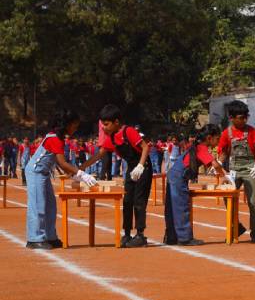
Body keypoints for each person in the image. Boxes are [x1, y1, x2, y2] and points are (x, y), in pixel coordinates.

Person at [81, 105, 152, 248]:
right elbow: (99, 154)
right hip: (131, 169)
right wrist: (80, 168)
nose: (104, 128)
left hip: (143, 167)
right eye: (102, 125)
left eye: (106, 124)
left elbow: (145, 147)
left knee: (139, 201)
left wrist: (140, 166)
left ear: (116, 122)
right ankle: (126, 234)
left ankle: (140, 235)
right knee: (127, 201)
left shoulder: (129, 131)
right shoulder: (111, 137)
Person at [25, 110, 97, 249]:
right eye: (74, 125)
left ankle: (50, 236)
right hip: (35, 172)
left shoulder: (59, 139)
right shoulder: (54, 138)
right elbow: (63, 162)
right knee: (38, 204)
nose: (75, 129)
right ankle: (34, 238)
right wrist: (82, 174)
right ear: (67, 125)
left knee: (50, 206)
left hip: (44, 173)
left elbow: (59, 163)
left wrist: (74, 175)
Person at [164, 124, 229, 246]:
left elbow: (211, 164)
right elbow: (215, 165)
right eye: (217, 138)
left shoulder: (196, 146)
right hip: (179, 177)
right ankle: (184, 238)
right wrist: (226, 176)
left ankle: (171, 237)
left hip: (174, 175)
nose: (218, 141)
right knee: (181, 206)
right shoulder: (201, 148)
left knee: (172, 207)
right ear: (209, 138)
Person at [218, 100, 255, 243]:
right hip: (234, 169)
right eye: (241, 117)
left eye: (245, 117)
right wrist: (218, 162)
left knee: (253, 201)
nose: (244, 120)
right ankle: (235, 226)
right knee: (227, 196)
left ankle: (254, 231)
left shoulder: (251, 131)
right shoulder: (226, 133)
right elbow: (224, 152)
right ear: (232, 118)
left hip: (250, 169)